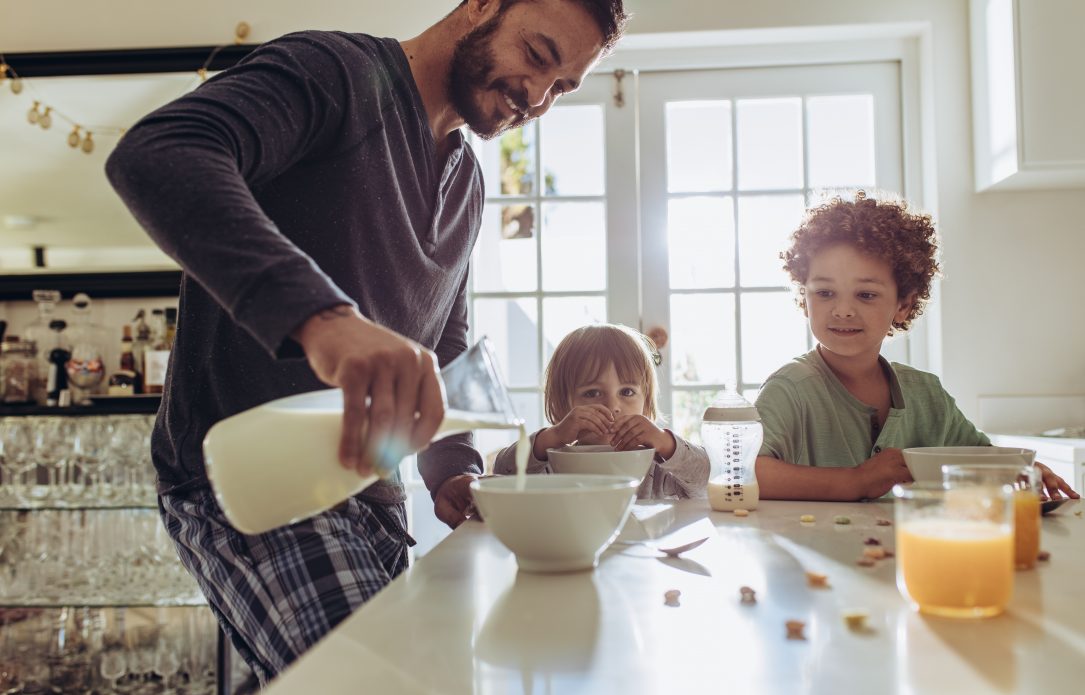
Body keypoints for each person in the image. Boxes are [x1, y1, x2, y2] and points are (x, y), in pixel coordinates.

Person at [105, 0, 629, 683]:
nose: (535, 97)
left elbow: (443, 341)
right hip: (254, 483)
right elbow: (160, 152)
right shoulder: (337, 74)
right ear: (480, 7)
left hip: (373, 497)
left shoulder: (466, 183)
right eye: (535, 56)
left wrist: (451, 471)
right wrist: (323, 318)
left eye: (561, 86)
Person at [754, 191, 1078, 502]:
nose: (842, 310)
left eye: (866, 295)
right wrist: (854, 481)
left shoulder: (926, 394)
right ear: (804, 298)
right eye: (825, 293)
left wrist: (1020, 472)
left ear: (904, 305)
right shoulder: (790, 388)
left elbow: (979, 460)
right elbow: (744, 473)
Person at [494, 324, 709, 499]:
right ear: (562, 406)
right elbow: (502, 472)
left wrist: (666, 443)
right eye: (592, 393)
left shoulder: (659, 465)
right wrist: (553, 436)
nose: (612, 405)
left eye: (626, 391)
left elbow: (710, 479)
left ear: (646, 403)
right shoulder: (552, 462)